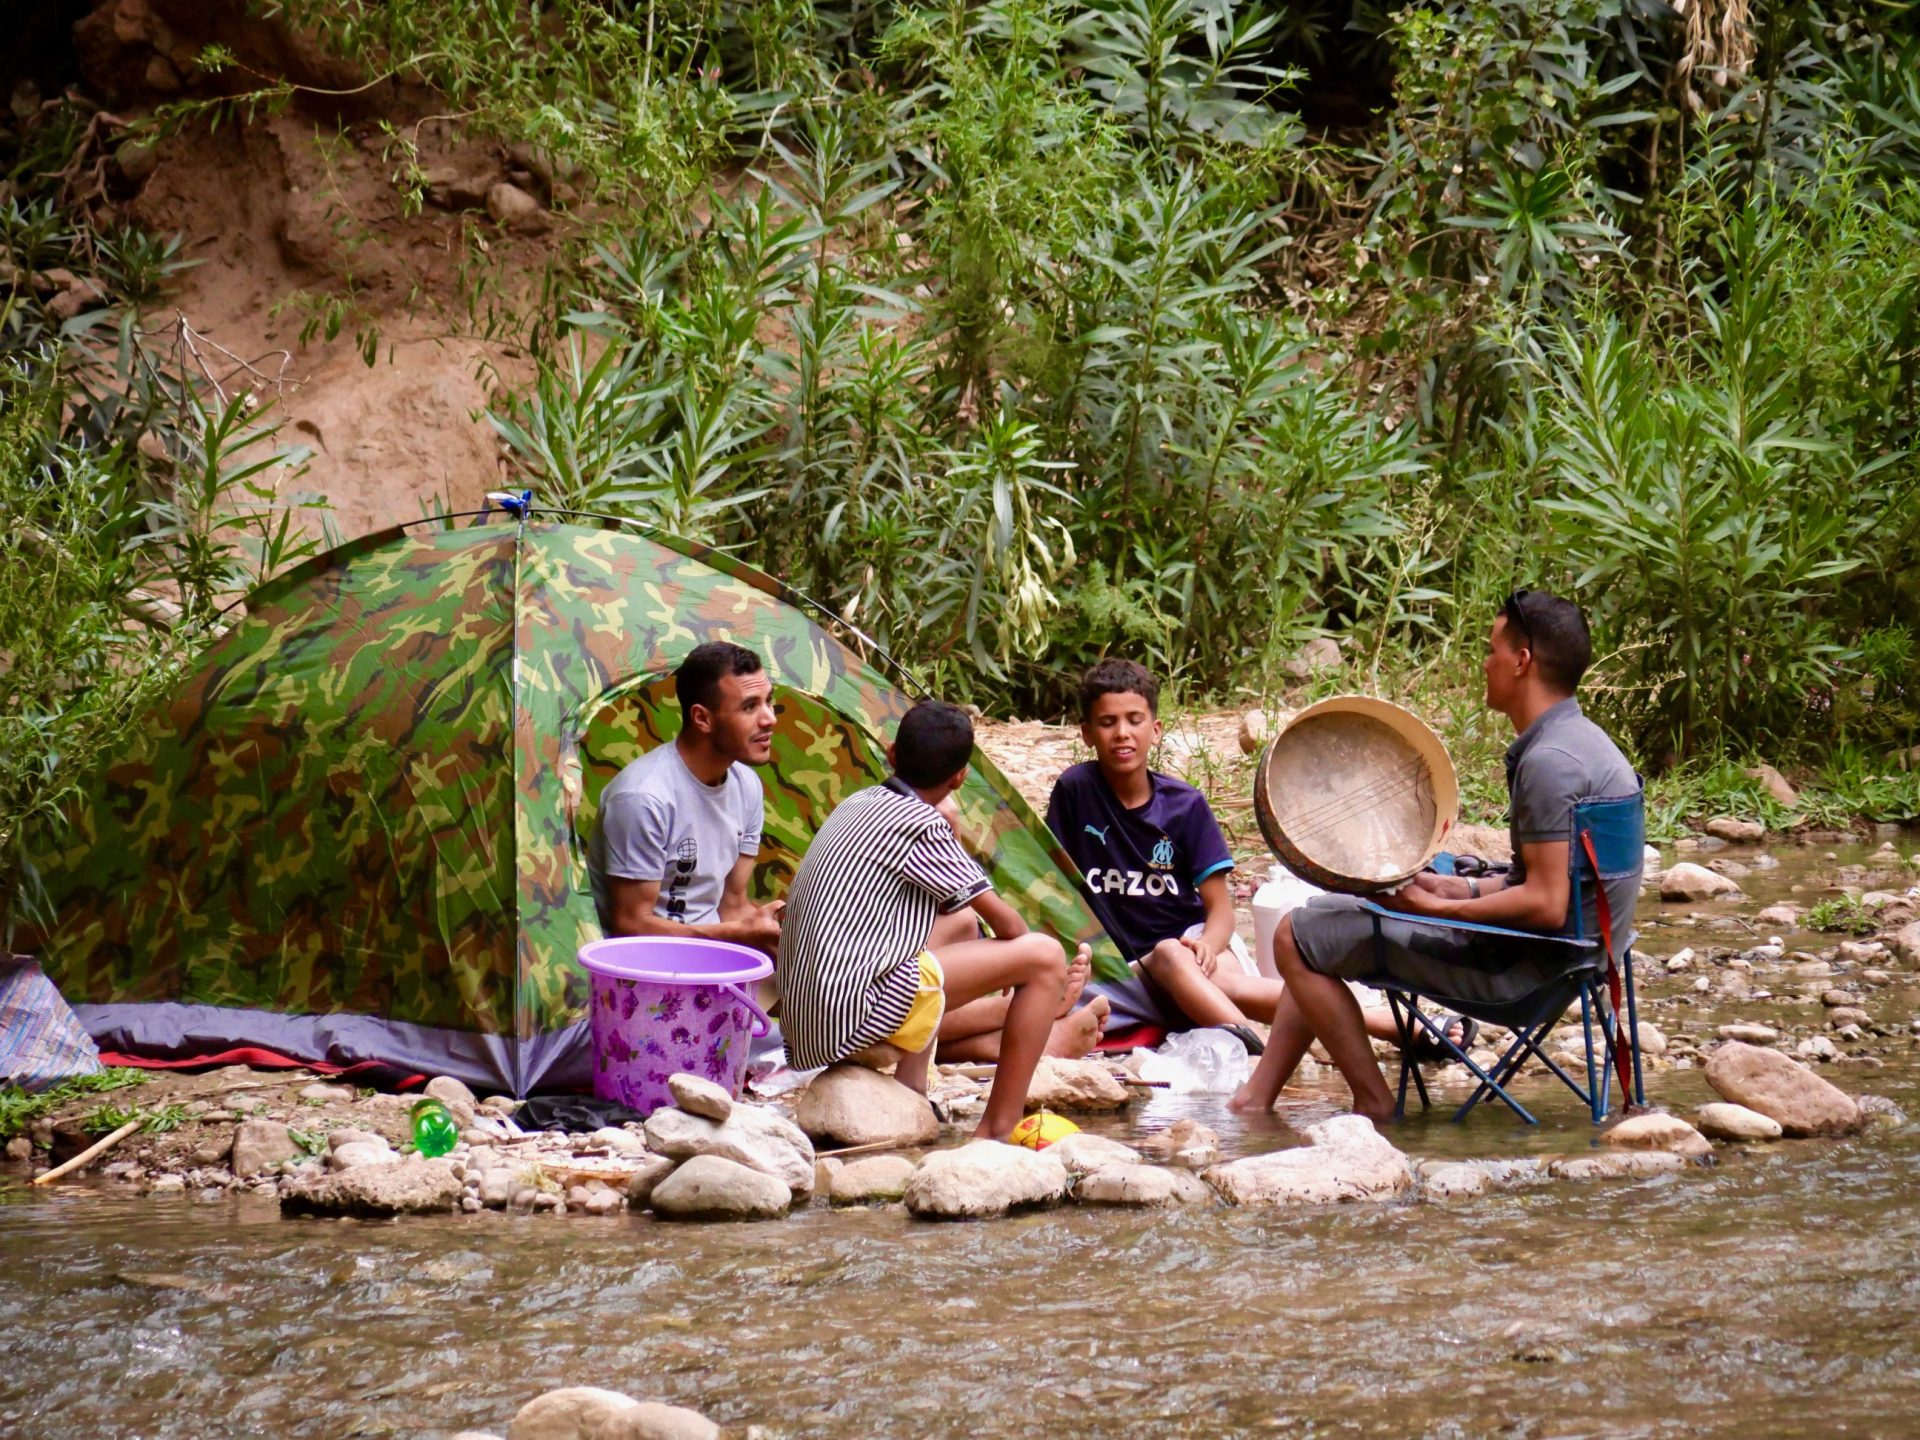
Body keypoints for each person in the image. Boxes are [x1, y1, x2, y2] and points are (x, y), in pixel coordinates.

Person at [1230, 590, 1640, 1120]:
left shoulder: (1551, 763)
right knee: (1322, 926)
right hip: (1580, 962)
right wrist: (1462, 887)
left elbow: (1544, 902)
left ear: (1522, 661)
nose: (1484, 662)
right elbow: (1554, 881)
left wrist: (1440, 911)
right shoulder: (1587, 744)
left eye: (1492, 650)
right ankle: (1255, 1098)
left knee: (1295, 935)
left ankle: (1374, 1102)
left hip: (1522, 974)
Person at [1046, 658, 1414, 1055]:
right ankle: (1258, 1054)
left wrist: (1208, 944)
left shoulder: (1185, 806)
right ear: (1086, 733)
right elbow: (1052, 887)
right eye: (1107, 723)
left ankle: (1387, 1026)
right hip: (1123, 967)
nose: (1122, 733)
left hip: (1191, 946)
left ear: (1155, 730)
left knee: (1190, 962)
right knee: (1154, 967)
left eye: (1134, 720)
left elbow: (1220, 908)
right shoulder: (1075, 792)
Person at [777, 699, 1095, 1139]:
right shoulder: (923, 824)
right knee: (1042, 957)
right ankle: (999, 1126)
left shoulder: (858, 802)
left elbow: (962, 913)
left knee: (963, 925)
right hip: (850, 1021)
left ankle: (912, 1086)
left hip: (805, 1023)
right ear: (960, 778)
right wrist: (956, 833)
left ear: (891, 754)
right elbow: (1010, 928)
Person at [587, 640, 785, 954]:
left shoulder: (747, 786)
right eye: (750, 706)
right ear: (702, 718)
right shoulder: (643, 798)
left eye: (768, 701)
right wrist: (736, 935)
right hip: (644, 971)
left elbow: (733, 905)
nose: (769, 719)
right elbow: (632, 925)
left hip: (715, 958)